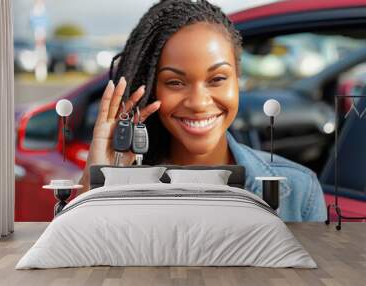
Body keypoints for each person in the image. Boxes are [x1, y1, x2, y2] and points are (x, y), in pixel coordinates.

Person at [78, 0, 327, 221]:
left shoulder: (300, 191)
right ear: (152, 90)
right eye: (175, 82)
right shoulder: (121, 187)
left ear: (237, 80)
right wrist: (97, 183)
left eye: (217, 79)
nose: (198, 102)